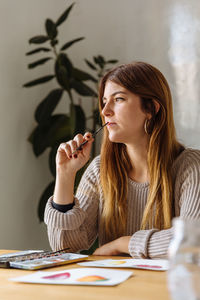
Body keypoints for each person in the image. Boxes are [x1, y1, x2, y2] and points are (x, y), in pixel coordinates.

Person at [44, 62, 200, 258]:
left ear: (151, 108)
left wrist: (122, 244)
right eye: (104, 101)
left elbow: (193, 241)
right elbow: (65, 247)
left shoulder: (192, 167)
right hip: (114, 287)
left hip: (166, 288)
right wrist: (65, 175)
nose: (105, 111)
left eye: (118, 99)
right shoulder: (100, 170)